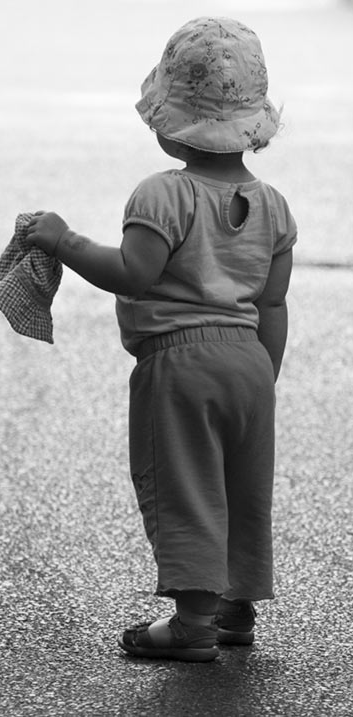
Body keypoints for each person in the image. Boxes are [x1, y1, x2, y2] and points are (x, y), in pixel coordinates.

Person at [24, 17, 297, 662]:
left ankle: (192, 625)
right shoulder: (277, 207)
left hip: (180, 364)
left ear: (166, 118)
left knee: (187, 485)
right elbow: (273, 301)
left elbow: (135, 273)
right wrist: (264, 374)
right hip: (252, 365)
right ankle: (236, 609)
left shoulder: (163, 194)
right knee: (240, 485)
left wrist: (64, 242)